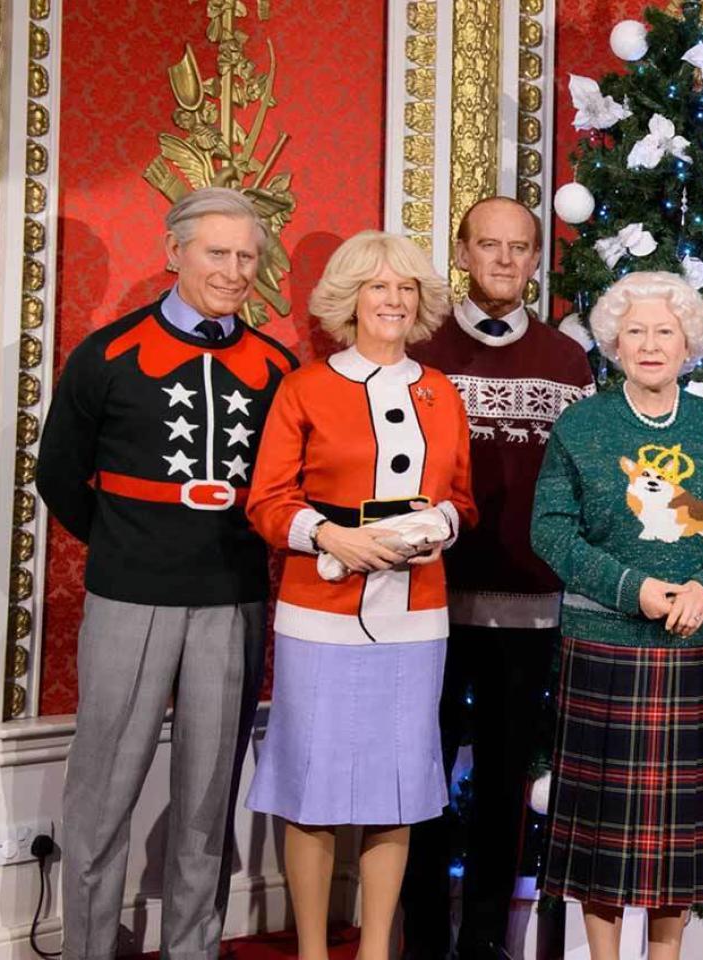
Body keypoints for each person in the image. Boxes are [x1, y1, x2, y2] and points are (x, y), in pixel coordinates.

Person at [36, 186, 297, 960]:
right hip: (130, 598)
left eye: (247, 256)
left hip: (232, 600)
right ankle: (87, 947)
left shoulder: (278, 367)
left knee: (208, 794)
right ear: (173, 252)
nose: (234, 270)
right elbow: (59, 476)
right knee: (103, 788)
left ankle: (193, 947)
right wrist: (128, 543)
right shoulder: (107, 355)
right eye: (217, 253)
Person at [244, 230, 476, 960]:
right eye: (379, 286)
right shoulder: (306, 387)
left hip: (416, 618)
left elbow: (462, 499)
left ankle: (376, 950)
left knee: (396, 789)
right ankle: (314, 951)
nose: (394, 300)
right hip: (320, 615)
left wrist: (439, 526)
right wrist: (330, 537)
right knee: (310, 789)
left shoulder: (442, 393)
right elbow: (267, 501)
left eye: (406, 288)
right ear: (351, 298)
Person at [530, 272, 703, 960]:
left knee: (679, 839)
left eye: (665, 330)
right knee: (603, 834)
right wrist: (631, 587)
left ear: (688, 342)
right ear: (613, 341)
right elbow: (550, 529)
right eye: (634, 330)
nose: (650, 344)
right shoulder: (581, 425)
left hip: (702, 647)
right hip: (605, 648)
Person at [402, 196, 593, 960]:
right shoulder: (421, 349)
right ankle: (422, 938)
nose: (505, 260)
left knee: (506, 780)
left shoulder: (566, 360)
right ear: (463, 251)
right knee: (420, 774)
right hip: (427, 603)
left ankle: (485, 941)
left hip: (529, 607)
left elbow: (583, 485)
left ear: (535, 259)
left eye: (519, 248)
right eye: (489, 245)